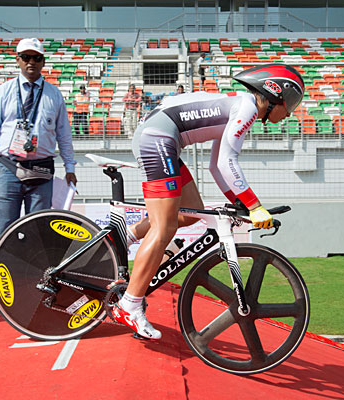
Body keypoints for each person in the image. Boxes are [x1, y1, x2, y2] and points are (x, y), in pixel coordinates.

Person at [111, 64, 305, 339]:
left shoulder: (241, 107)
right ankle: (129, 305)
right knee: (164, 227)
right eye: (292, 102)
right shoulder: (248, 109)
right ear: (275, 92)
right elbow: (227, 162)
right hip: (158, 138)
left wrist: (238, 202)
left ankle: (125, 234)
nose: (291, 111)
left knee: (190, 214)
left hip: (163, 138)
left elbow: (216, 165)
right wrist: (253, 204)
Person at [0, 38, 77, 308]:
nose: (31, 62)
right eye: (26, 57)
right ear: (17, 59)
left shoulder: (53, 94)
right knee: (3, 232)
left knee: (39, 233)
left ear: (43, 62)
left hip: (42, 171)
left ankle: (36, 286)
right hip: (8, 169)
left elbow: (64, 134)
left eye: (36, 58)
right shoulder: (4, 91)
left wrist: (71, 167)